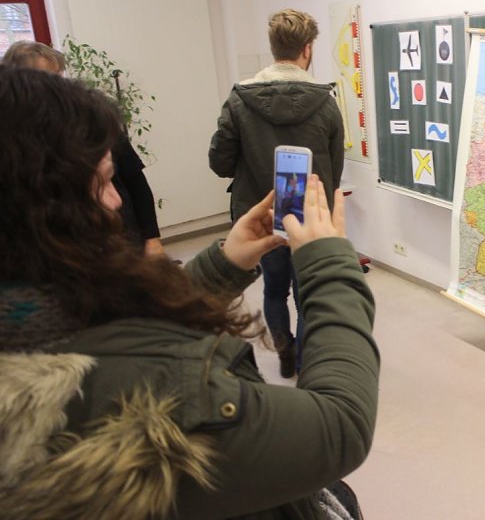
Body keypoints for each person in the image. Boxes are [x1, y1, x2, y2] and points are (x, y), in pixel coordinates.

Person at [0, 65, 378, 519]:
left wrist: (225, 262)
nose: (117, 200)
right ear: (42, 204)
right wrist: (330, 263)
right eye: (103, 180)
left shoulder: (33, 315)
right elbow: (340, 426)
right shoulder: (157, 395)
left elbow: (119, 327)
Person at [209, 8, 345, 378]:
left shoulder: (239, 101)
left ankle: (284, 350)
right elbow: (334, 170)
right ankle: (304, 364)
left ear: (273, 47)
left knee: (273, 289)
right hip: (310, 218)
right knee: (306, 295)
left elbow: (220, 162)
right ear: (307, 48)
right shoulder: (327, 102)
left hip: (260, 217)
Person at [2, 40, 165, 256]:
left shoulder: (96, 120)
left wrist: (151, 238)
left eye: (58, 76)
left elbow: (135, 180)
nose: (58, 87)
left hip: (123, 238)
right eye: (48, 79)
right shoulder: (14, 146)